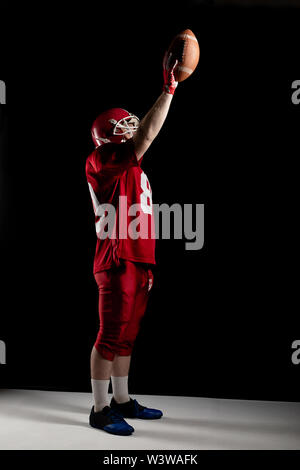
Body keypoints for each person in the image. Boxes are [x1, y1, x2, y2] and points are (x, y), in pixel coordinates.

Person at [85, 52, 178, 436]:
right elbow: (148, 134)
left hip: (137, 257)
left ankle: (122, 400)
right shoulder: (100, 159)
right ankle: (99, 408)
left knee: (128, 334)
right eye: (122, 125)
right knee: (109, 336)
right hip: (116, 256)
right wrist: (169, 88)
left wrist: (148, 263)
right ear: (107, 135)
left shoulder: (132, 166)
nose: (131, 128)